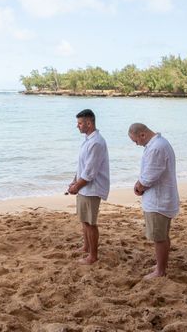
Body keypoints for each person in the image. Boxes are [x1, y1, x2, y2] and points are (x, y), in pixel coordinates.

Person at [129, 123, 179, 279]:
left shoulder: (156, 147)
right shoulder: (158, 144)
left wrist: (139, 186)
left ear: (142, 134)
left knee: (159, 237)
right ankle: (161, 264)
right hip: (161, 198)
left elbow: (149, 176)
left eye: (135, 140)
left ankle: (160, 271)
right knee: (162, 235)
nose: (136, 144)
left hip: (158, 200)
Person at [67, 109, 110, 265]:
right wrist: (74, 181)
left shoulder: (96, 142)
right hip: (84, 187)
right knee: (84, 220)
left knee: (90, 223)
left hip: (92, 188)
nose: (77, 126)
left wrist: (76, 186)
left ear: (89, 123)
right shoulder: (88, 139)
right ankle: (86, 247)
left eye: (79, 123)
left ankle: (93, 256)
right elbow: (83, 166)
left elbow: (90, 172)